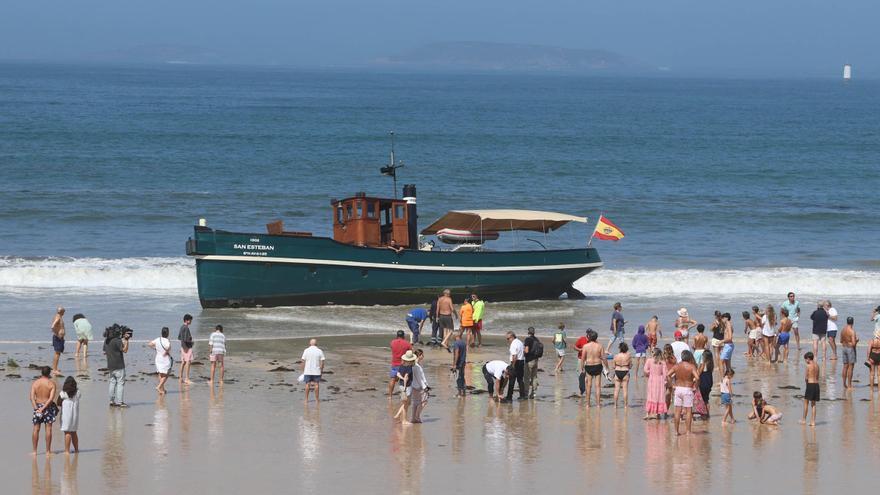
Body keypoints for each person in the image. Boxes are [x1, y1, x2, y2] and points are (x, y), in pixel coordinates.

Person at [668, 350, 700, 435]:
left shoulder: (677, 366)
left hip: (678, 389)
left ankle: (676, 431)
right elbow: (697, 377)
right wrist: (695, 387)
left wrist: (672, 385)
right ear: (689, 357)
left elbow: (668, 375)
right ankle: (688, 431)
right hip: (687, 389)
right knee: (688, 411)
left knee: (677, 411)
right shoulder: (691, 366)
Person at [31, 366, 58, 455]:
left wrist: (37, 409)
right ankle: (48, 451)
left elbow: (31, 397)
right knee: (48, 429)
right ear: (49, 373)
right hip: (47, 407)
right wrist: (43, 408)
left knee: (36, 429)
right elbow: (51, 398)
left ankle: (34, 451)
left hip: (37, 407)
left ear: (41, 373)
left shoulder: (35, 383)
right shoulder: (51, 384)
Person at [103, 324, 130, 407]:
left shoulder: (106, 340)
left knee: (112, 382)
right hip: (119, 365)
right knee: (120, 383)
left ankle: (111, 401)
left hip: (110, 365)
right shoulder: (117, 340)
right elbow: (125, 350)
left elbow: (104, 351)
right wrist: (127, 341)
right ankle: (120, 402)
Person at [578, 329, 606, 407]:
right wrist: (607, 367)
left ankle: (587, 404)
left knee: (589, 385)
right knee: (598, 386)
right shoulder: (600, 346)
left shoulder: (585, 346)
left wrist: (582, 368)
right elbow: (604, 358)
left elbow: (583, 358)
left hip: (589, 366)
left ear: (589, 337)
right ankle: (598, 404)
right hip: (598, 365)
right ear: (596, 338)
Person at [57, 376, 80, 454]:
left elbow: (58, 403)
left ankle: (67, 450)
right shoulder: (78, 392)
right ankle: (76, 449)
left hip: (66, 415)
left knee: (67, 432)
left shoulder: (63, 393)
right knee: (74, 432)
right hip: (75, 416)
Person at [643, 348, 668, 420]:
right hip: (660, 381)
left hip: (652, 380)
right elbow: (665, 374)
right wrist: (665, 381)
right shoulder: (662, 362)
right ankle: (658, 414)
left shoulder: (649, 361)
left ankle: (648, 413)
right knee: (659, 396)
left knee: (651, 396)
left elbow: (645, 370)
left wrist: (649, 373)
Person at [147, 327, 172, 396]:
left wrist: (155, 348)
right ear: (168, 333)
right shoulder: (167, 341)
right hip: (165, 359)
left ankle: (162, 389)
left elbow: (149, 344)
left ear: (161, 333)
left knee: (160, 374)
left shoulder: (158, 339)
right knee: (167, 374)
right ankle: (158, 387)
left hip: (158, 358)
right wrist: (166, 351)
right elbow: (169, 347)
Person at [387, 330, 413, 396]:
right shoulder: (407, 343)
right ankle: (404, 394)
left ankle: (390, 396)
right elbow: (411, 352)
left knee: (392, 379)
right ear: (403, 336)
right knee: (405, 380)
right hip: (404, 365)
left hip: (394, 364)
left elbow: (392, 348)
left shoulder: (392, 342)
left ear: (397, 336)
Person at [393, 351, 416, 424]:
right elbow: (406, 377)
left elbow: (398, 374)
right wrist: (405, 388)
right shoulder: (409, 367)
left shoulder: (402, 365)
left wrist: (402, 379)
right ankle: (404, 420)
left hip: (401, 385)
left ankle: (398, 415)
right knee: (406, 404)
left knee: (406, 403)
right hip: (407, 387)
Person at [504, 331, 526, 402]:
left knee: (511, 380)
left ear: (512, 337)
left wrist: (512, 366)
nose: (507, 340)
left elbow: (515, 356)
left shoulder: (513, 344)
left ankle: (509, 397)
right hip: (522, 361)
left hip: (515, 362)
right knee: (520, 379)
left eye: (508, 338)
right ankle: (522, 395)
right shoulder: (520, 342)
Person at [301, 338, 325, 403]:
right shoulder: (319, 351)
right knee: (316, 384)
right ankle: (317, 400)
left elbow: (303, 361)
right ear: (316, 344)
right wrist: (321, 370)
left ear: (310, 343)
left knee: (307, 384)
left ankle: (306, 400)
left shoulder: (306, 350)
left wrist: (303, 370)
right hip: (316, 371)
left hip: (307, 370)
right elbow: (322, 362)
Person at [409, 349, 429, 423]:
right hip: (419, 386)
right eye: (422, 355)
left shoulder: (413, 365)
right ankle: (417, 417)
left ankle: (413, 418)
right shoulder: (417, 366)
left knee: (415, 403)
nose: (423, 356)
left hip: (413, 386)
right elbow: (419, 378)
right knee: (424, 401)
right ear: (419, 356)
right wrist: (425, 387)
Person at [801, 352, 819, 426]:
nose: (805, 361)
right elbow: (818, 377)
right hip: (816, 385)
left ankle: (804, 420)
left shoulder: (808, 366)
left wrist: (806, 385)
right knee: (813, 404)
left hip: (810, 384)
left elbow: (806, 377)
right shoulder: (817, 365)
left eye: (805, 359)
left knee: (806, 403)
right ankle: (813, 421)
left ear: (808, 358)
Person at [840, 317, 858, 389]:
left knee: (845, 366)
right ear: (853, 322)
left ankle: (844, 384)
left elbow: (841, 341)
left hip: (844, 348)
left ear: (847, 322)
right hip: (850, 349)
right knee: (850, 367)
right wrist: (857, 340)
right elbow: (853, 344)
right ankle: (849, 385)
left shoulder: (843, 330)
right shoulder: (852, 331)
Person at [523, 327, 541, 399]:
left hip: (529, 361)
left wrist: (523, 352)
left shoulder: (528, 339)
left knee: (527, 377)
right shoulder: (537, 339)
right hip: (536, 360)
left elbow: (526, 350)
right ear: (534, 332)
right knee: (534, 377)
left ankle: (526, 393)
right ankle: (533, 393)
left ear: (528, 332)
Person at [612, 342, 632, 408]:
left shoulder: (616, 356)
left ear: (619, 348)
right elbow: (630, 366)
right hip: (625, 371)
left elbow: (613, 366)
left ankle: (615, 405)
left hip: (617, 372)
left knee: (616, 389)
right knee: (625, 390)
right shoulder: (628, 356)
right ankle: (626, 405)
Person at [177, 314, 194, 385]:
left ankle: (180, 378)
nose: (191, 321)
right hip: (187, 347)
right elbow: (186, 339)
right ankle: (187, 378)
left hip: (183, 346)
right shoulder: (186, 328)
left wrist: (183, 346)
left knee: (183, 362)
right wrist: (190, 344)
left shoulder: (181, 327)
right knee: (188, 362)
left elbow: (179, 337)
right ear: (187, 320)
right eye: (190, 320)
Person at [697, 350, 714, 418]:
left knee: (702, 399)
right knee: (706, 399)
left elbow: (698, 373)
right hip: (709, 382)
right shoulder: (711, 364)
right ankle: (707, 414)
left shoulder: (703, 364)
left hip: (703, 382)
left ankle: (703, 414)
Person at [451, 331, 467, 397]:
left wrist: (454, 364)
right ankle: (463, 391)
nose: (452, 337)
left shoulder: (456, 343)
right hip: (463, 362)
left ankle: (460, 392)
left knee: (458, 378)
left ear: (455, 336)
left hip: (458, 363)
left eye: (452, 335)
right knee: (462, 376)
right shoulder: (463, 342)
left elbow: (457, 354)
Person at [50, 307, 66, 376]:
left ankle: (54, 368)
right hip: (58, 338)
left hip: (59, 338)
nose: (64, 313)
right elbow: (52, 326)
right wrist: (57, 334)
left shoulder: (58, 316)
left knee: (57, 353)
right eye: (64, 311)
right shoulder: (58, 317)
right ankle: (54, 370)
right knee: (57, 353)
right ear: (61, 311)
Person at [867, 319, 880, 388]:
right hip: (879, 356)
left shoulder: (871, 341)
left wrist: (868, 358)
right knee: (879, 374)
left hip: (873, 356)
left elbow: (868, 350)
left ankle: (871, 388)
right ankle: (879, 389)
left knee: (872, 374)